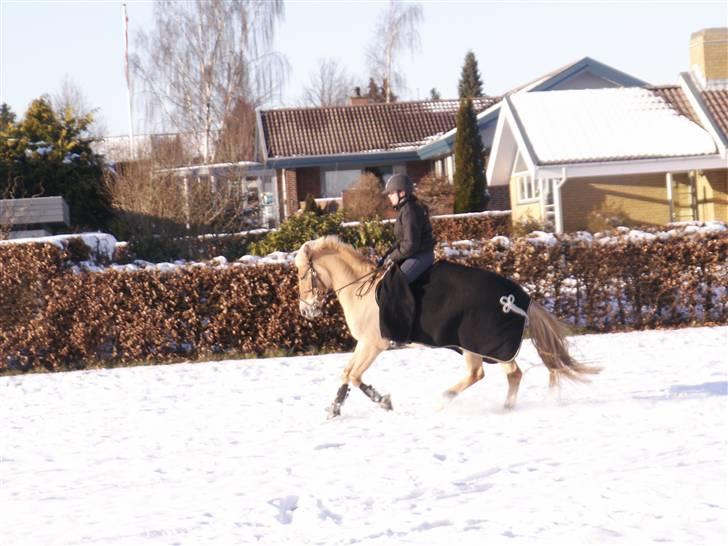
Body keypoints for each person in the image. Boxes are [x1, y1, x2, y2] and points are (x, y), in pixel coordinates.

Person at [377, 174, 436, 283]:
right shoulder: (404, 210)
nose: (389, 196)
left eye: (391, 193)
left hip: (420, 255)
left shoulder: (409, 211)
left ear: (402, 193)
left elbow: (410, 244)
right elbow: (401, 240)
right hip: (414, 253)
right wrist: (387, 255)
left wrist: (392, 257)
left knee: (395, 283)